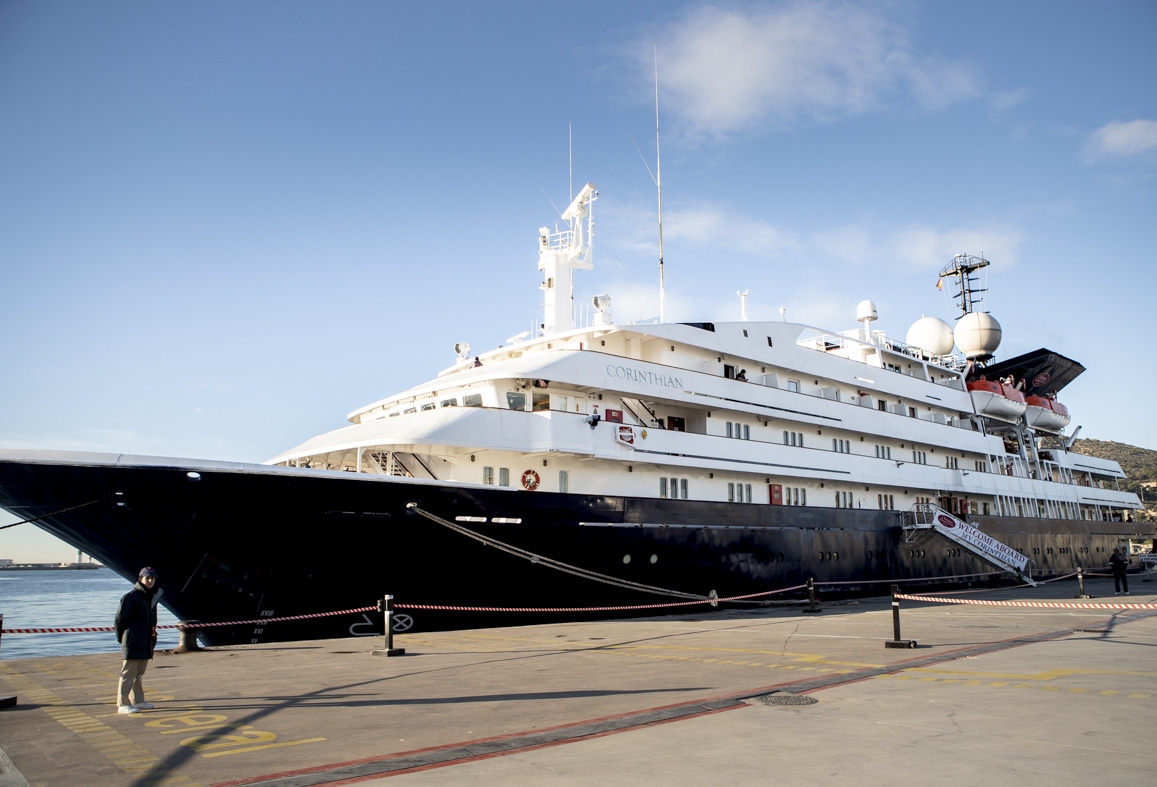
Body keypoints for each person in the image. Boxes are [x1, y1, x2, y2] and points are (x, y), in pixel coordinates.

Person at [115, 567, 163, 713]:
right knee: (127, 673)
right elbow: (120, 620)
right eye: (147, 578)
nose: (150, 581)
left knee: (139, 672)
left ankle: (138, 700)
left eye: (152, 578)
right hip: (133, 640)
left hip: (146, 640)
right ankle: (122, 704)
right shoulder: (131, 597)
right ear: (140, 579)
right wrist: (122, 639)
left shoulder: (152, 596)